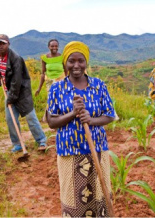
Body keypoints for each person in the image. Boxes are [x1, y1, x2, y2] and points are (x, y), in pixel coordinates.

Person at [46, 41, 115, 217]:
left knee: (100, 196)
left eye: (80, 61)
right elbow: (52, 122)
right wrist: (73, 113)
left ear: (86, 63)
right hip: (70, 152)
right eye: (71, 61)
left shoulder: (98, 85)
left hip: (97, 149)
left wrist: (90, 120)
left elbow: (109, 115)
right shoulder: (56, 88)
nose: (76, 65)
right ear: (65, 63)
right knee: (73, 200)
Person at [0, 34, 47, 152]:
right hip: (9, 91)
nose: (0, 46)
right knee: (10, 119)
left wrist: (10, 98)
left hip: (21, 92)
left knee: (30, 117)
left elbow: (17, 81)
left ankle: (41, 140)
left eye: (3, 43)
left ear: (8, 44)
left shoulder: (16, 58)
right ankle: (17, 144)